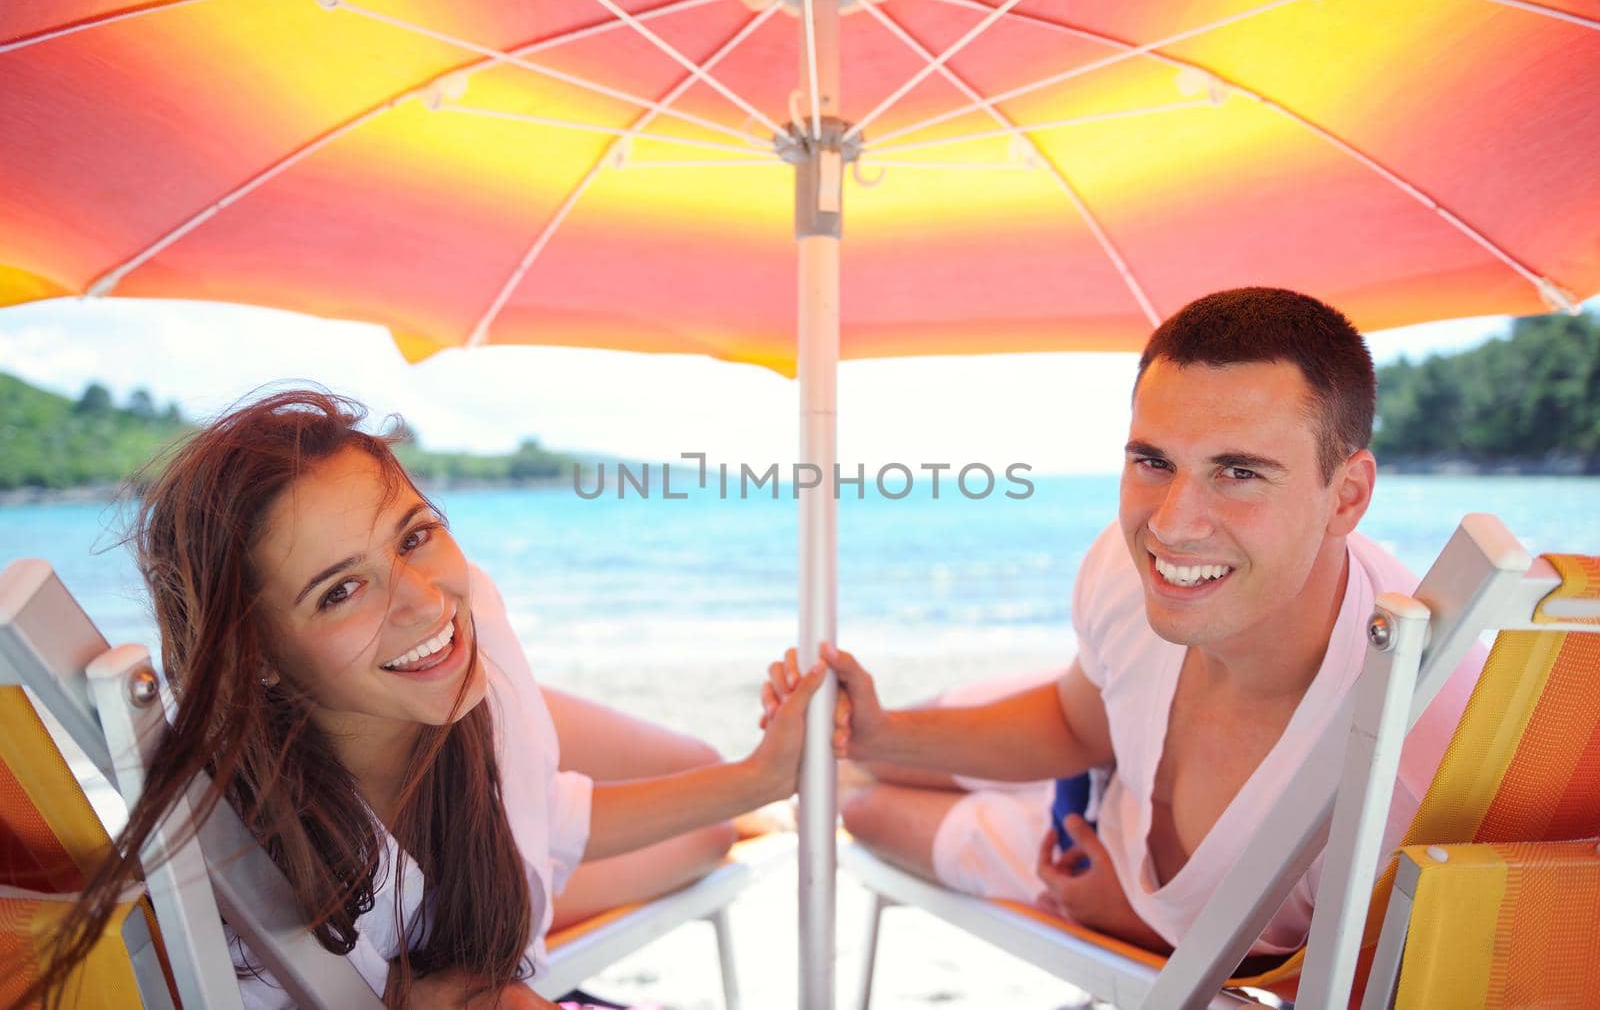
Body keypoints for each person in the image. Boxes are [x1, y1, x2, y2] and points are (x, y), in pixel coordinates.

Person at [32, 389, 824, 1009]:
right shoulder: (262, 899)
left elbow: (536, 808)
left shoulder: (469, 623)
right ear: (259, 656)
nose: (420, 596)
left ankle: (743, 804)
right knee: (706, 830)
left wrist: (761, 774)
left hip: (448, 722)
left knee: (711, 815)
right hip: (426, 756)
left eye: (414, 535)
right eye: (340, 590)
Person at [764, 287, 1484, 958]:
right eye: (1153, 460)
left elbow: (1344, 985)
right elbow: (1079, 725)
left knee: (859, 807)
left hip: (1105, 877)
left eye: (1239, 472)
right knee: (847, 750)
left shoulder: (1405, 764)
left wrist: (1132, 920)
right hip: (1102, 796)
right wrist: (881, 731)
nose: (1172, 525)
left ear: (1347, 497)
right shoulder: (1130, 565)